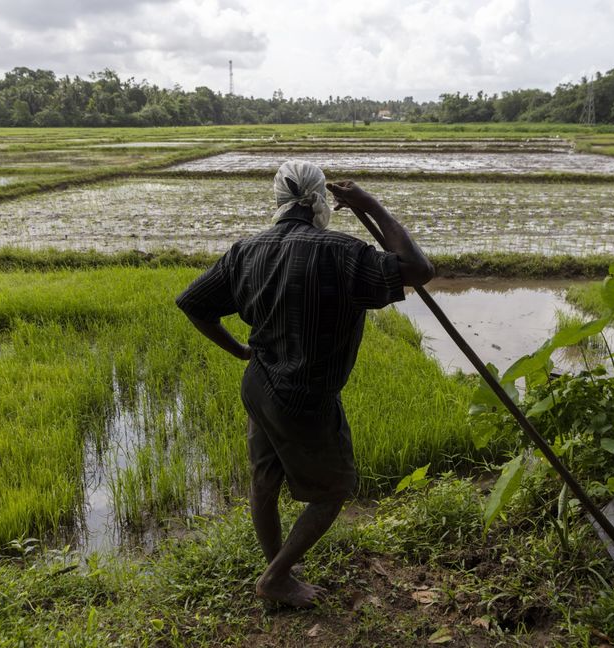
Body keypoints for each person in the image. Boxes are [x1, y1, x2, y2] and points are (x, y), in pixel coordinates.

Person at [175, 160, 433, 607]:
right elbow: (418, 269)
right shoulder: (343, 252)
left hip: (259, 385)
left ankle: (281, 573)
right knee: (334, 490)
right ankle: (276, 578)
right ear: (320, 201)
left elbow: (194, 303)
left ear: (277, 200)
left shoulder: (246, 250)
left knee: (265, 479)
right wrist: (369, 204)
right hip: (306, 394)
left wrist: (239, 350)